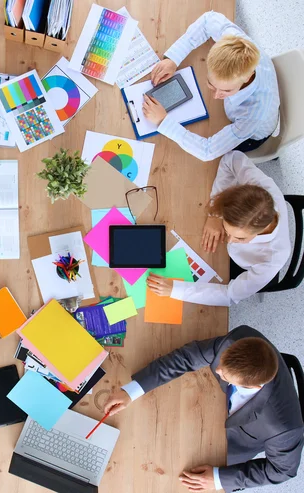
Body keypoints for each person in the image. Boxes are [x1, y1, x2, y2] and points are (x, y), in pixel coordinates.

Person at [102, 325, 304, 491]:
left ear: (252, 387)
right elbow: (186, 358)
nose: (216, 371)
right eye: (221, 365)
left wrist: (218, 479)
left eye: (225, 376)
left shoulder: (284, 430)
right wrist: (132, 390)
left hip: (230, 449)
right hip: (212, 413)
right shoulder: (239, 339)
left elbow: (282, 471)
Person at [147, 151, 290, 306]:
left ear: (263, 228)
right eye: (227, 229)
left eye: (240, 238)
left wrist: (175, 290)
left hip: (244, 268)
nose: (228, 240)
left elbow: (230, 295)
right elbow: (232, 158)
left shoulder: (271, 260)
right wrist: (215, 216)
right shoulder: (260, 189)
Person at [142, 11, 279, 162]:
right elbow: (208, 20)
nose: (216, 96)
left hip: (253, 136)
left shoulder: (253, 114)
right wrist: (174, 58)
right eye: (211, 84)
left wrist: (163, 121)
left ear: (247, 77)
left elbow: (208, 151)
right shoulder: (235, 42)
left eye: (227, 90)